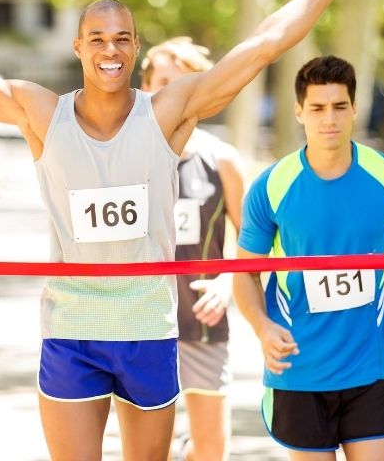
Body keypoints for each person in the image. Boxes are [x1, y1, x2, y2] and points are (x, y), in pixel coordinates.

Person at [0, 0, 368, 461]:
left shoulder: (168, 112)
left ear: (136, 47)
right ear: (79, 47)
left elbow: (264, 46)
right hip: (72, 330)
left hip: (147, 327)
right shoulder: (42, 113)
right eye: (97, 38)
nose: (110, 49)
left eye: (122, 37)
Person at [233, 55, 384, 460]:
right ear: (299, 111)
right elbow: (245, 273)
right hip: (299, 371)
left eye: (340, 107)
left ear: (355, 109)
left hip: (369, 369)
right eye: (318, 108)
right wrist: (262, 327)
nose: (330, 119)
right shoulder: (272, 187)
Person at [139, 37, 244, 461]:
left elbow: (253, 238)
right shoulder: (127, 159)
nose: (173, 92)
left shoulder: (222, 159)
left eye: (183, 82)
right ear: (145, 89)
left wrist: (228, 281)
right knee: (148, 448)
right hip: (142, 321)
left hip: (201, 318)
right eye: (163, 81)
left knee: (211, 447)